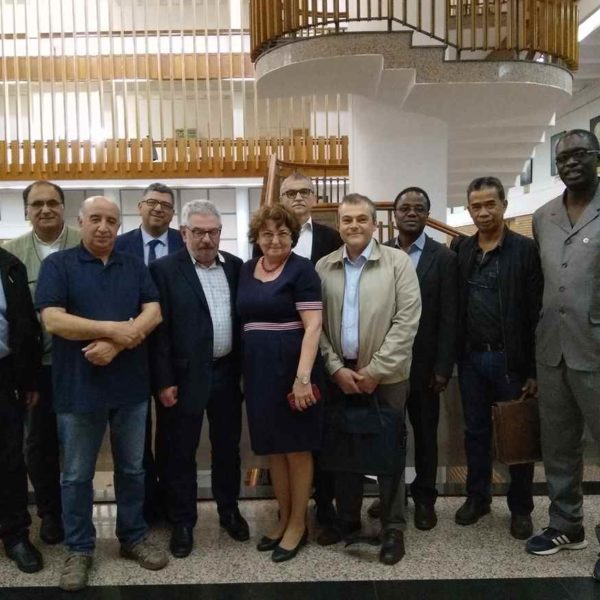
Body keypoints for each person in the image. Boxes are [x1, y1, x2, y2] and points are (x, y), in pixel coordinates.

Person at [35, 196, 168, 592]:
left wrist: (117, 344)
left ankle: (133, 536)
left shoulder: (133, 264)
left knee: (132, 469)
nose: (104, 227)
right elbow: (53, 320)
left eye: (111, 220)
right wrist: (114, 330)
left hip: (130, 387)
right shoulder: (58, 265)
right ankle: (79, 549)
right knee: (77, 475)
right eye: (95, 219)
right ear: (81, 222)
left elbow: (154, 312)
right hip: (79, 388)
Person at [316, 193, 421, 565]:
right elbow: (316, 326)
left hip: (387, 378)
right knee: (345, 449)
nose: (354, 225)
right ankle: (347, 519)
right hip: (340, 376)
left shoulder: (397, 262)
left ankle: (393, 526)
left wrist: (376, 370)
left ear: (374, 224)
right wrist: (334, 368)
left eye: (362, 219)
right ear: (339, 225)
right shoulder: (324, 266)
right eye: (347, 220)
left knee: (388, 452)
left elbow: (407, 321)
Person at [149, 199, 249, 558]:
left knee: (228, 448)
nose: (206, 239)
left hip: (227, 374)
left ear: (220, 233)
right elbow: (158, 332)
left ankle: (229, 510)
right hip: (182, 378)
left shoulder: (236, 267)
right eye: (198, 232)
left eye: (212, 232)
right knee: (180, 452)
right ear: (184, 233)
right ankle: (183, 521)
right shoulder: (163, 270)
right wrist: (163, 381)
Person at [452, 176, 542, 540]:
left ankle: (521, 507)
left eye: (490, 204)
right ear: (469, 210)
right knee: (475, 432)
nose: (484, 212)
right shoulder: (462, 249)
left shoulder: (525, 250)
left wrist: (533, 369)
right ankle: (478, 497)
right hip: (471, 360)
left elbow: (536, 312)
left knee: (517, 434)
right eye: (476, 206)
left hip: (511, 361)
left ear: (504, 205)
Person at [527, 130, 600, 576]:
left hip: (596, 349)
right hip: (552, 348)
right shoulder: (542, 217)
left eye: (580, 155)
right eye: (562, 158)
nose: (571, 163)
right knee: (558, 445)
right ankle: (566, 524)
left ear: (597, 157)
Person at [237, 203, 324, 563]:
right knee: (273, 449)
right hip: (258, 373)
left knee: (297, 449)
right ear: (256, 237)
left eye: (283, 233)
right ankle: (283, 517)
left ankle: (299, 524)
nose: (275, 240)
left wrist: (302, 379)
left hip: (292, 371)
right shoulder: (246, 270)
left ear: (293, 236)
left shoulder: (302, 269)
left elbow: (313, 326)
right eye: (267, 233)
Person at [3, 180, 80, 545]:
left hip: (82, 363)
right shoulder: (11, 255)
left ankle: (78, 509)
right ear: (26, 211)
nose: (45, 209)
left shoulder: (84, 242)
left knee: (80, 440)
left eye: (52, 202)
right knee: (39, 443)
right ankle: (50, 512)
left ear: (64, 207)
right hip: (39, 367)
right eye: (37, 204)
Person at [378, 186, 457, 529]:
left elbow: (450, 316)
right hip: (387, 364)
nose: (411, 213)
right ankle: (391, 497)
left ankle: (425, 499)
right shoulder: (380, 253)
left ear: (428, 214)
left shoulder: (444, 258)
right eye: (404, 208)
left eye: (419, 208)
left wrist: (443, 367)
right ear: (395, 215)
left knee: (425, 435)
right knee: (388, 436)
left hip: (426, 367)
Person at [114, 182, 184, 523]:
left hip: (174, 352)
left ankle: (171, 502)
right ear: (139, 207)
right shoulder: (119, 245)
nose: (158, 209)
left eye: (165, 205)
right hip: (130, 349)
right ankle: (145, 504)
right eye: (152, 202)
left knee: (172, 433)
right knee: (135, 435)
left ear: (173, 213)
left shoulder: (185, 242)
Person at [0, 246, 43, 574]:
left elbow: (26, 324)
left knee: (10, 457)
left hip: (4, 374)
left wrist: (28, 380)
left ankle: (15, 535)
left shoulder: (10, 266)